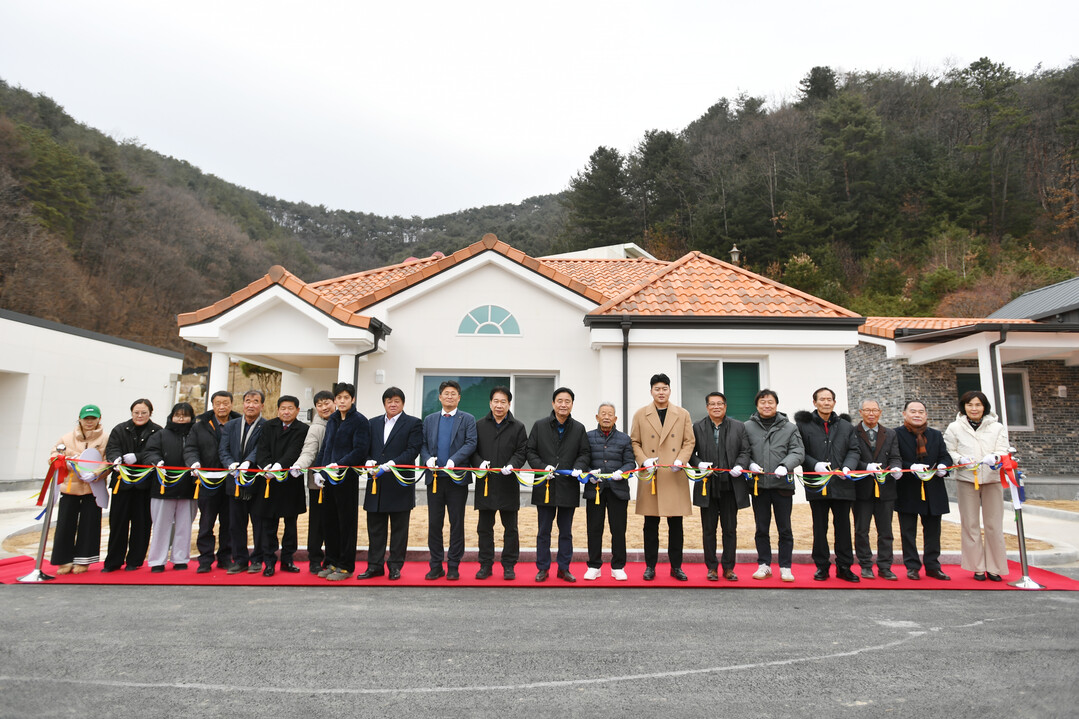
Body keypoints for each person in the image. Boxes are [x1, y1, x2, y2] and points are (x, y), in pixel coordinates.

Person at [630, 373, 695, 582]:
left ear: (669, 390)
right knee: (650, 525)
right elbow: (635, 442)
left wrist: (681, 460)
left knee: (676, 525)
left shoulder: (682, 413)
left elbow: (689, 441)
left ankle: (676, 566)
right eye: (657, 389)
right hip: (652, 476)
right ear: (651, 391)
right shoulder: (641, 414)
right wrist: (644, 461)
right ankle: (650, 566)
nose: (661, 392)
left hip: (674, 474)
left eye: (664, 388)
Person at [796, 387, 861, 583]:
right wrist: (814, 464)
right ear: (814, 402)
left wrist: (848, 467)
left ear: (834, 402)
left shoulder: (845, 426)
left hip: (842, 484)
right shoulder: (804, 426)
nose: (826, 402)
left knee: (843, 527)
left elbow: (854, 450)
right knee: (820, 526)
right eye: (822, 399)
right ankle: (822, 566)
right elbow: (800, 451)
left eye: (829, 399)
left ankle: (844, 566)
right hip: (817, 483)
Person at [944, 390, 1011, 582]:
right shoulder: (955, 427)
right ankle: (977, 567)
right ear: (963, 407)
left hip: (992, 479)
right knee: (970, 524)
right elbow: (949, 450)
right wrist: (960, 459)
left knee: (993, 525)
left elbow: (1003, 449)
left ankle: (995, 567)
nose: (974, 409)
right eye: (970, 405)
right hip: (967, 479)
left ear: (984, 407)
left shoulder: (997, 427)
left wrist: (996, 457)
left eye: (978, 405)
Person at [358, 387, 422, 581]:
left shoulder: (413, 423)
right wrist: (367, 460)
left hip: (399, 482)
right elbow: (365, 447)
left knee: (399, 529)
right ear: (384, 403)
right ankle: (374, 566)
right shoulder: (372, 423)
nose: (392, 404)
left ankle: (395, 566)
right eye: (389, 401)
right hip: (376, 482)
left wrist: (392, 464)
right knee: (375, 528)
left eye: (396, 401)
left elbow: (413, 450)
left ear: (402, 403)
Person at [527, 386, 591, 583]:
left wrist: (578, 467)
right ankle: (543, 568)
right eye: (560, 401)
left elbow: (585, 453)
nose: (563, 405)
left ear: (572, 404)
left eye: (567, 401)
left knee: (566, 531)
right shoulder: (540, 425)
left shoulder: (579, 428)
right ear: (553, 403)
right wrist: (541, 466)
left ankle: (564, 568)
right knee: (543, 531)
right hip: (544, 485)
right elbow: (530, 451)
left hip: (568, 486)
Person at [743, 389, 804, 582]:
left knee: (784, 528)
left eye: (770, 402)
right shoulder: (747, 427)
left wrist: (786, 465)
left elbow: (798, 451)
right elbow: (743, 451)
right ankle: (764, 565)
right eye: (762, 402)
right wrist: (750, 463)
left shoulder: (789, 427)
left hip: (782, 486)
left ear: (776, 404)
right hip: (758, 486)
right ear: (757, 405)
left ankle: (785, 566)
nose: (766, 405)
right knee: (761, 528)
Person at [689, 392, 751, 581]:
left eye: (720, 404)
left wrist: (740, 465)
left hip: (731, 485)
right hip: (708, 484)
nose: (716, 407)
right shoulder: (697, 427)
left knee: (730, 528)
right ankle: (711, 567)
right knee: (708, 529)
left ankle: (729, 567)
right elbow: (690, 452)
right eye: (712, 404)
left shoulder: (739, 427)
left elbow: (745, 450)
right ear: (707, 407)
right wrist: (698, 463)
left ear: (725, 406)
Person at [420, 380, 477, 581]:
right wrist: (427, 460)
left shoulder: (467, 419)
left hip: (457, 480)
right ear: (440, 397)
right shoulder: (429, 419)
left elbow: (471, 443)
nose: (450, 396)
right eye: (446, 393)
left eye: (453, 393)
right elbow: (423, 445)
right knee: (435, 523)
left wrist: (455, 459)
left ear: (459, 397)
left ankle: (453, 564)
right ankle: (435, 565)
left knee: (456, 523)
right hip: (435, 479)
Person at [471, 386, 528, 581]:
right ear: (490, 403)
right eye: (496, 401)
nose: (499, 405)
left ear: (509, 404)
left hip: (508, 483)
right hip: (485, 483)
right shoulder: (479, 425)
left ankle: (509, 565)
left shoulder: (518, 427)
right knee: (484, 527)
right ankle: (485, 564)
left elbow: (522, 451)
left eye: (503, 402)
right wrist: (479, 464)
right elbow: (473, 450)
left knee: (510, 528)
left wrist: (513, 465)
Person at [895, 400, 953, 581]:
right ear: (904, 414)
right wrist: (909, 466)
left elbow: (945, 455)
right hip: (907, 488)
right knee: (908, 531)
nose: (917, 414)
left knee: (933, 531)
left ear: (926, 415)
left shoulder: (935, 435)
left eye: (921, 411)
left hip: (933, 488)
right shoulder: (895, 434)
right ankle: (912, 566)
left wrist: (945, 466)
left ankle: (933, 566)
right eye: (913, 411)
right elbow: (894, 458)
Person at [318, 382, 370, 581]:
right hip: (329, 478)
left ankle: (346, 565)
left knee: (346, 523)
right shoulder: (332, 420)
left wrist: (339, 464)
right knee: (329, 521)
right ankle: (331, 561)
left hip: (346, 478)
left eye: (345, 398)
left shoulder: (359, 421)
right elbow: (325, 447)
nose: (341, 401)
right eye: (338, 398)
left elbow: (360, 450)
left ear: (352, 399)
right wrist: (321, 469)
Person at [252, 395, 309, 577]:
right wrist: (266, 466)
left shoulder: (302, 429)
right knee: (269, 525)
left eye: (290, 408)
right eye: (283, 408)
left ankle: (287, 560)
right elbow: (262, 449)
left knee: (290, 525)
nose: (286, 411)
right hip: (268, 481)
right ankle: (269, 562)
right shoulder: (268, 426)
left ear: (297, 410)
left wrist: (280, 466)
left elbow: (295, 450)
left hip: (290, 481)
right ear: (278, 410)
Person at [184, 390, 239, 573]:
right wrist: (194, 463)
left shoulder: (238, 423)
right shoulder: (199, 426)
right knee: (206, 522)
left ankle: (226, 557)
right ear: (212, 405)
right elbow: (190, 448)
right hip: (207, 480)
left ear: (231, 404)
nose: (221, 407)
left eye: (225, 403)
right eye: (218, 403)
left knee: (229, 522)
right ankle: (205, 559)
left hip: (231, 481)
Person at [103, 399, 161, 572]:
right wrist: (116, 459)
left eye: (144, 412)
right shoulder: (120, 429)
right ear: (131, 412)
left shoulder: (157, 431)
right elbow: (112, 448)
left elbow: (156, 452)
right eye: (136, 412)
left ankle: (135, 561)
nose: (140, 416)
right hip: (122, 483)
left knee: (141, 524)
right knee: (118, 523)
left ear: (150, 413)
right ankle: (113, 561)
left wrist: (138, 456)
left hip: (145, 485)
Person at [50, 404, 108, 574]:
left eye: (93, 418)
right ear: (80, 419)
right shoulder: (66, 438)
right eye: (86, 418)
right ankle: (64, 560)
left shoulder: (105, 438)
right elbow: (53, 456)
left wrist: (97, 474)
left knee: (90, 524)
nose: (89, 422)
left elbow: (108, 461)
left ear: (99, 419)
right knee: (65, 524)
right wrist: (67, 462)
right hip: (69, 488)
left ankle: (84, 560)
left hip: (93, 489)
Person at [583, 402, 635, 581]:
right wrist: (589, 473)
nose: (606, 417)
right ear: (597, 417)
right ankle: (594, 565)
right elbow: (583, 459)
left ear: (615, 418)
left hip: (617, 490)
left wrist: (623, 472)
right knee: (594, 529)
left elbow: (631, 462)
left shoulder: (624, 439)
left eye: (610, 414)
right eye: (603, 413)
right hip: (595, 489)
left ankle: (618, 566)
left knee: (618, 529)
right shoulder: (588, 437)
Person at [144, 402, 198, 572]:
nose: (181, 418)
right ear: (172, 416)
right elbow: (149, 452)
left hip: (188, 487)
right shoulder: (160, 435)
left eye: (185, 415)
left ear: (191, 417)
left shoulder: (195, 435)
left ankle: (180, 558)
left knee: (184, 525)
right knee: (161, 525)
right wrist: (156, 461)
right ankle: (157, 560)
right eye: (177, 415)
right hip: (163, 486)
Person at [852, 399, 902, 580]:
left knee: (886, 531)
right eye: (867, 410)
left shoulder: (890, 434)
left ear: (880, 412)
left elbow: (896, 456)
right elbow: (850, 457)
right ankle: (865, 564)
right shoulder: (853, 432)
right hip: (861, 489)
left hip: (885, 488)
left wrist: (896, 468)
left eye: (874, 410)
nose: (871, 413)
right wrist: (865, 466)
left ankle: (885, 566)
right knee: (861, 530)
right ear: (860, 412)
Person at [219, 390, 268, 576]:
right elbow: (223, 449)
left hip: (256, 482)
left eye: (255, 401)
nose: (251, 405)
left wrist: (248, 462)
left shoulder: (266, 426)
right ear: (242, 403)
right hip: (234, 482)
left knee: (258, 524)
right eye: (248, 401)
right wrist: (229, 463)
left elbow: (261, 448)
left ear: (262, 405)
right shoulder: (231, 425)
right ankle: (239, 559)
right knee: (236, 524)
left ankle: (257, 559)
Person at [294, 390, 335, 574]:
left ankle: (334, 558)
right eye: (319, 405)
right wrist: (299, 466)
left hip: (339, 481)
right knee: (317, 522)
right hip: (317, 483)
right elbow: (309, 452)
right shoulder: (316, 428)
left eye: (327, 403)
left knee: (336, 522)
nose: (324, 407)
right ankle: (315, 559)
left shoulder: (343, 423)